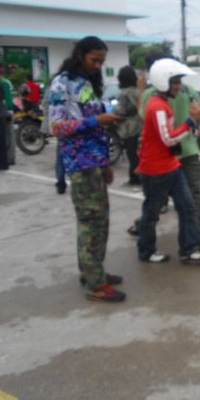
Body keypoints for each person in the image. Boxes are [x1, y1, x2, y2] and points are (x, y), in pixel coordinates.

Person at [49, 36, 126, 302]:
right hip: (80, 164)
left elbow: (95, 127)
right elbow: (56, 126)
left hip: (96, 162)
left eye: (102, 61)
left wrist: (105, 163)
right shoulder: (62, 83)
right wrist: (96, 120)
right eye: (94, 60)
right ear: (80, 54)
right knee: (91, 222)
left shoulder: (87, 82)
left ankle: (93, 272)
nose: (98, 66)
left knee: (100, 221)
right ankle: (95, 285)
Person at [128, 52, 200, 253]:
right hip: (188, 150)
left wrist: (141, 91)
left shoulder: (150, 94)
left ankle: (143, 231)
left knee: (156, 199)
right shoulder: (189, 90)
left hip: (163, 156)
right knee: (194, 196)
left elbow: (143, 118)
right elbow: (198, 115)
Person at [113, 66, 143, 187]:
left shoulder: (125, 93)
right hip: (140, 124)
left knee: (131, 154)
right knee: (136, 153)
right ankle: (135, 177)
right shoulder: (138, 91)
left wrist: (114, 111)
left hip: (129, 127)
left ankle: (135, 178)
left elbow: (120, 110)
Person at [40, 85, 67, 194]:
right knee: (62, 155)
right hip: (65, 125)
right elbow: (46, 105)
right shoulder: (57, 85)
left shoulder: (55, 84)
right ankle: (61, 183)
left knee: (61, 155)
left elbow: (45, 104)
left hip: (70, 124)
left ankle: (61, 183)